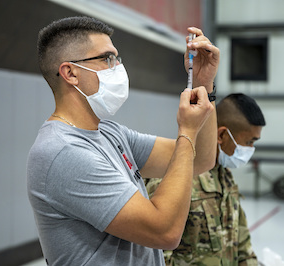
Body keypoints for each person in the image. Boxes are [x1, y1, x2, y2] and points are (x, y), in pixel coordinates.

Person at [27, 16, 219, 266]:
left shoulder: (110, 133)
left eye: (117, 59)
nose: (117, 68)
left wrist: (204, 85)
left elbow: (201, 159)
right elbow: (165, 231)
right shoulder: (63, 152)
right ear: (71, 73)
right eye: (107, 59)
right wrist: (186, 131)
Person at [146, 93, 266, 266]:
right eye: (248, 142)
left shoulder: (225, 178)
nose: (251, 149)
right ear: (222, 135)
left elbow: (242, 249)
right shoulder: (175, 178)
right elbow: (155, 257)